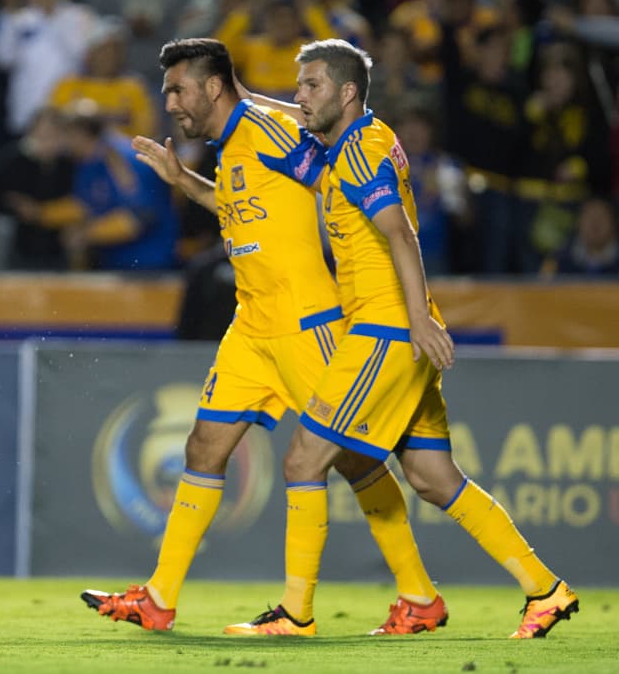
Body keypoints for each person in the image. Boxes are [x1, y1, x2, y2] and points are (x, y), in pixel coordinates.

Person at [82, 38, 445, 636]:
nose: (169, 102)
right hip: (252, 325)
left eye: (178, 90)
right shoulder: (232, 145)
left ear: (214, 87)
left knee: (355, 461)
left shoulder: (272, 128)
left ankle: (417, 594)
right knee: (203, 447)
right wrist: (185, 181)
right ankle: (159, 598)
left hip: (308, 321)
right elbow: (241, 206)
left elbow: (335, 172)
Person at [228, 39, 576, 639]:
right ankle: (545, 591)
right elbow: (290, 131)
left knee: (304, 459)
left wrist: (417, 320)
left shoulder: (360, 151)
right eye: (297, 86)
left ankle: (295, 613)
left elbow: (402, 234)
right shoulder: (351, 144)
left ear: (346, 93)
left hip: (385, 330)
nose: (299, 97)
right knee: (433, 479)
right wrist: (238, 95)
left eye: (310, 86)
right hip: (394, 327)